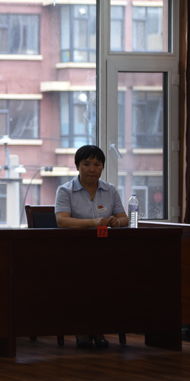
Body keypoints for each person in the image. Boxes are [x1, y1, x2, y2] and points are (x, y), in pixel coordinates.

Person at [54, 144, 128, 348]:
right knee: (83, 282)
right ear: (77, 166)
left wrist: (116, 221)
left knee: (107, 283)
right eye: (86, 164)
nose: (92, 169)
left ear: (102, 167)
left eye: (97, 164)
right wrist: (91, 222)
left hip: (105, 251)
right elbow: (62, 221)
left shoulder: (110, 190)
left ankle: (98, 327)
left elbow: (124, 218)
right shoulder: (65, 190)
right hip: (73, 252)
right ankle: (83, 329)